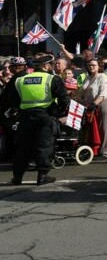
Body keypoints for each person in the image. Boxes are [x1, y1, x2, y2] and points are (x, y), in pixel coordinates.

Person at [10, 54, 69, 186]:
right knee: (44, 145)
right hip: (45, 115)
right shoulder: (52, 79)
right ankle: (42, 176)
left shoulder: (20, 80)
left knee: (22, 147)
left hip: (25, 116)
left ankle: (17, 177)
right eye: (52, 65)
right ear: (46, 66)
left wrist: (19, 112)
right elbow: (64, 99)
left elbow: (13, 100)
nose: (52, 67)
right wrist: (58, 112)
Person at [80, 57, 107, 158]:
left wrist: (94, 104)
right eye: (90, 65)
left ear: (99, 66)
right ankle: (94, 150)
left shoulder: (102, 76)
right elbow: (81, 92)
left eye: (94, 65)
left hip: (104, 103)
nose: (91, 67)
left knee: (104, 127)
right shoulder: (87, 78)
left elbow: (104, 92)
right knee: (92, 129)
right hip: (91, 105)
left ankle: (104, 152)